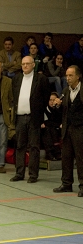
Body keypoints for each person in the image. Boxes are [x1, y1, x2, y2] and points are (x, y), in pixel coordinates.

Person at [10, 56, 50, 183]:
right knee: (20, 146)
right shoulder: (16, 78)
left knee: (34, 146)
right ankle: (19, 173)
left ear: (33, 65)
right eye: (23, 64)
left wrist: (39, 112)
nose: (25, 66)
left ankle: (33, 175)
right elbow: (13, 96)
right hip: (20, 117)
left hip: (34, 117)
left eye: (28, 64)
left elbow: (46, 97)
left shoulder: (41, 79)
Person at [53, 65, 83, 197]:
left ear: (78, 76)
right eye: (66, 75)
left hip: (80, 129)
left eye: (71, 75)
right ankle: (66, 183)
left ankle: (82, 185)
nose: (68, 78)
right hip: (67, 129)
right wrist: (57, 106)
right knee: (66, 157)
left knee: (81, 158)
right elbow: (62, 112)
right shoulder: (65, 91)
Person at [41, 92, 62, 161]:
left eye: (54, 100)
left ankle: (57, 152)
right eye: (50, 100)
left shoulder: (60, 109)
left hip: (59, 128)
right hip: (49, 129)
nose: (52, 102)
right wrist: (58, 125)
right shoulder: (44, 110)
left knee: (53, 130)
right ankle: (50, 152)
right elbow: (46, 122)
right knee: (49, 130)